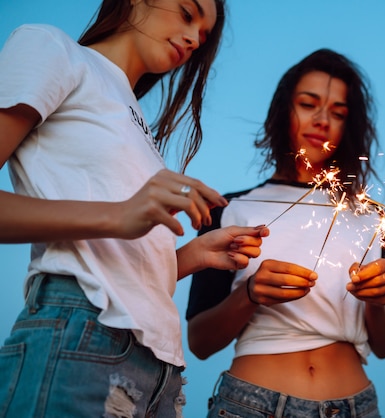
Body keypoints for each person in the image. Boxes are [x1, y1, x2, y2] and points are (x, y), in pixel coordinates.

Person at [0, 1, 270, 417]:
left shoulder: (137, 125)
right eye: (187, 13)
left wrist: (194, 257)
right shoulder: (52, 49)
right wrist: (120, 214)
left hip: (160, 372)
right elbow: (114, 227)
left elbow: (118, 261)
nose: (195, 38)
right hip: (83, 337)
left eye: (203, 34)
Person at [186, 48, 385, 418]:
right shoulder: (230, 210)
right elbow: (200, 342)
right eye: (308, 104)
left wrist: (377, 301)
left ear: (348, 127)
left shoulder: (374, 219)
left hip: (355, 407)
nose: (322, 120)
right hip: (251, 405)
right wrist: (250, 294)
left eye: (338, 113)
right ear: (282, 112)